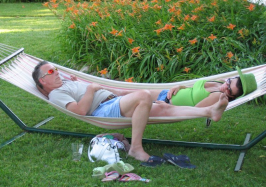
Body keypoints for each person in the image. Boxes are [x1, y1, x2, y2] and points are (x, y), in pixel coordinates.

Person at [32, 61, 229, 162]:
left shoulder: (64, 82)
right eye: (51, 72)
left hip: (114, 100)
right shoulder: (56, 94)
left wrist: (77, 82)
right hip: (103, 110)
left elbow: (73, 84)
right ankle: (135, 149)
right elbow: (81, 110)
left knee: (163, 107)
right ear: (42, 81)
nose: (56, 72)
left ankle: (209, 112)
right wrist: (91, 88)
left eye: (56, 69)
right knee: (143, 96)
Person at [150, 67, 257, 107]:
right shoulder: (219, 81)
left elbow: (194, 111)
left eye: (229, 90)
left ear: (232, 97)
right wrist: (179, 86)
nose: (225, 87)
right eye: (229, 82)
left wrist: (168, 108)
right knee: (135, 92)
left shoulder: (218, 96)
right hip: (167, 93)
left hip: (164, 105)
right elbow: (192, 89)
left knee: (136, 99)